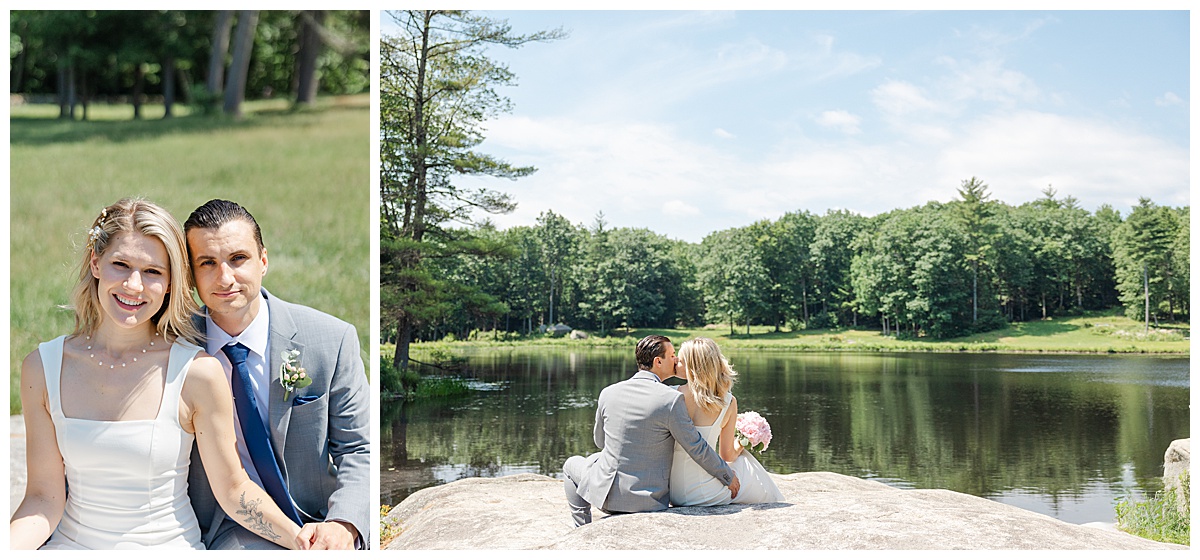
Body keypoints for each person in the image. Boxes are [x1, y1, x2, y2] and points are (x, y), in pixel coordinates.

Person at [9, 198, 308, 550]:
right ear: (95, 263)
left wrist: (303, 540)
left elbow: (233, 490)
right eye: (120, 265)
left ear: (170, 284)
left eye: (153, 272)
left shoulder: (197, 373)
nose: (134, 286)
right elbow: (43, 499)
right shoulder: (43, 367)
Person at [182, 199, 370, 550]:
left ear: (263, 261)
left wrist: (344, 522)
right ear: (191, 274)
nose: (225, 278)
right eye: (207, 263)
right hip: (226, 526)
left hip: (317, 516)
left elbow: (360, 447)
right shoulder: (172, 347)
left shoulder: (330, 340)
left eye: (238, 259)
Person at [562, 335, 740, 526]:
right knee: (594, 460)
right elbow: (696, 446)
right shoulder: (671, 399)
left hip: (606, 499)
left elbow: (600, 441)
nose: (677, 361)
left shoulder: (608, 392)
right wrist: (726, 476)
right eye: (672, 355)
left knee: (574, 464)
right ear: (658, 361)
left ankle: (582, 528)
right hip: (649, 502)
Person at [668, 337, 785, 506]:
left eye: (680, 360)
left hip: (672, 491)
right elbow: (727, 455)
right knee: (744, 462)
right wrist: (745, 440)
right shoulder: (728, 401)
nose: (675, 363)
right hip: (704, 495)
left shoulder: (670, 395)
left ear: (692, 366)